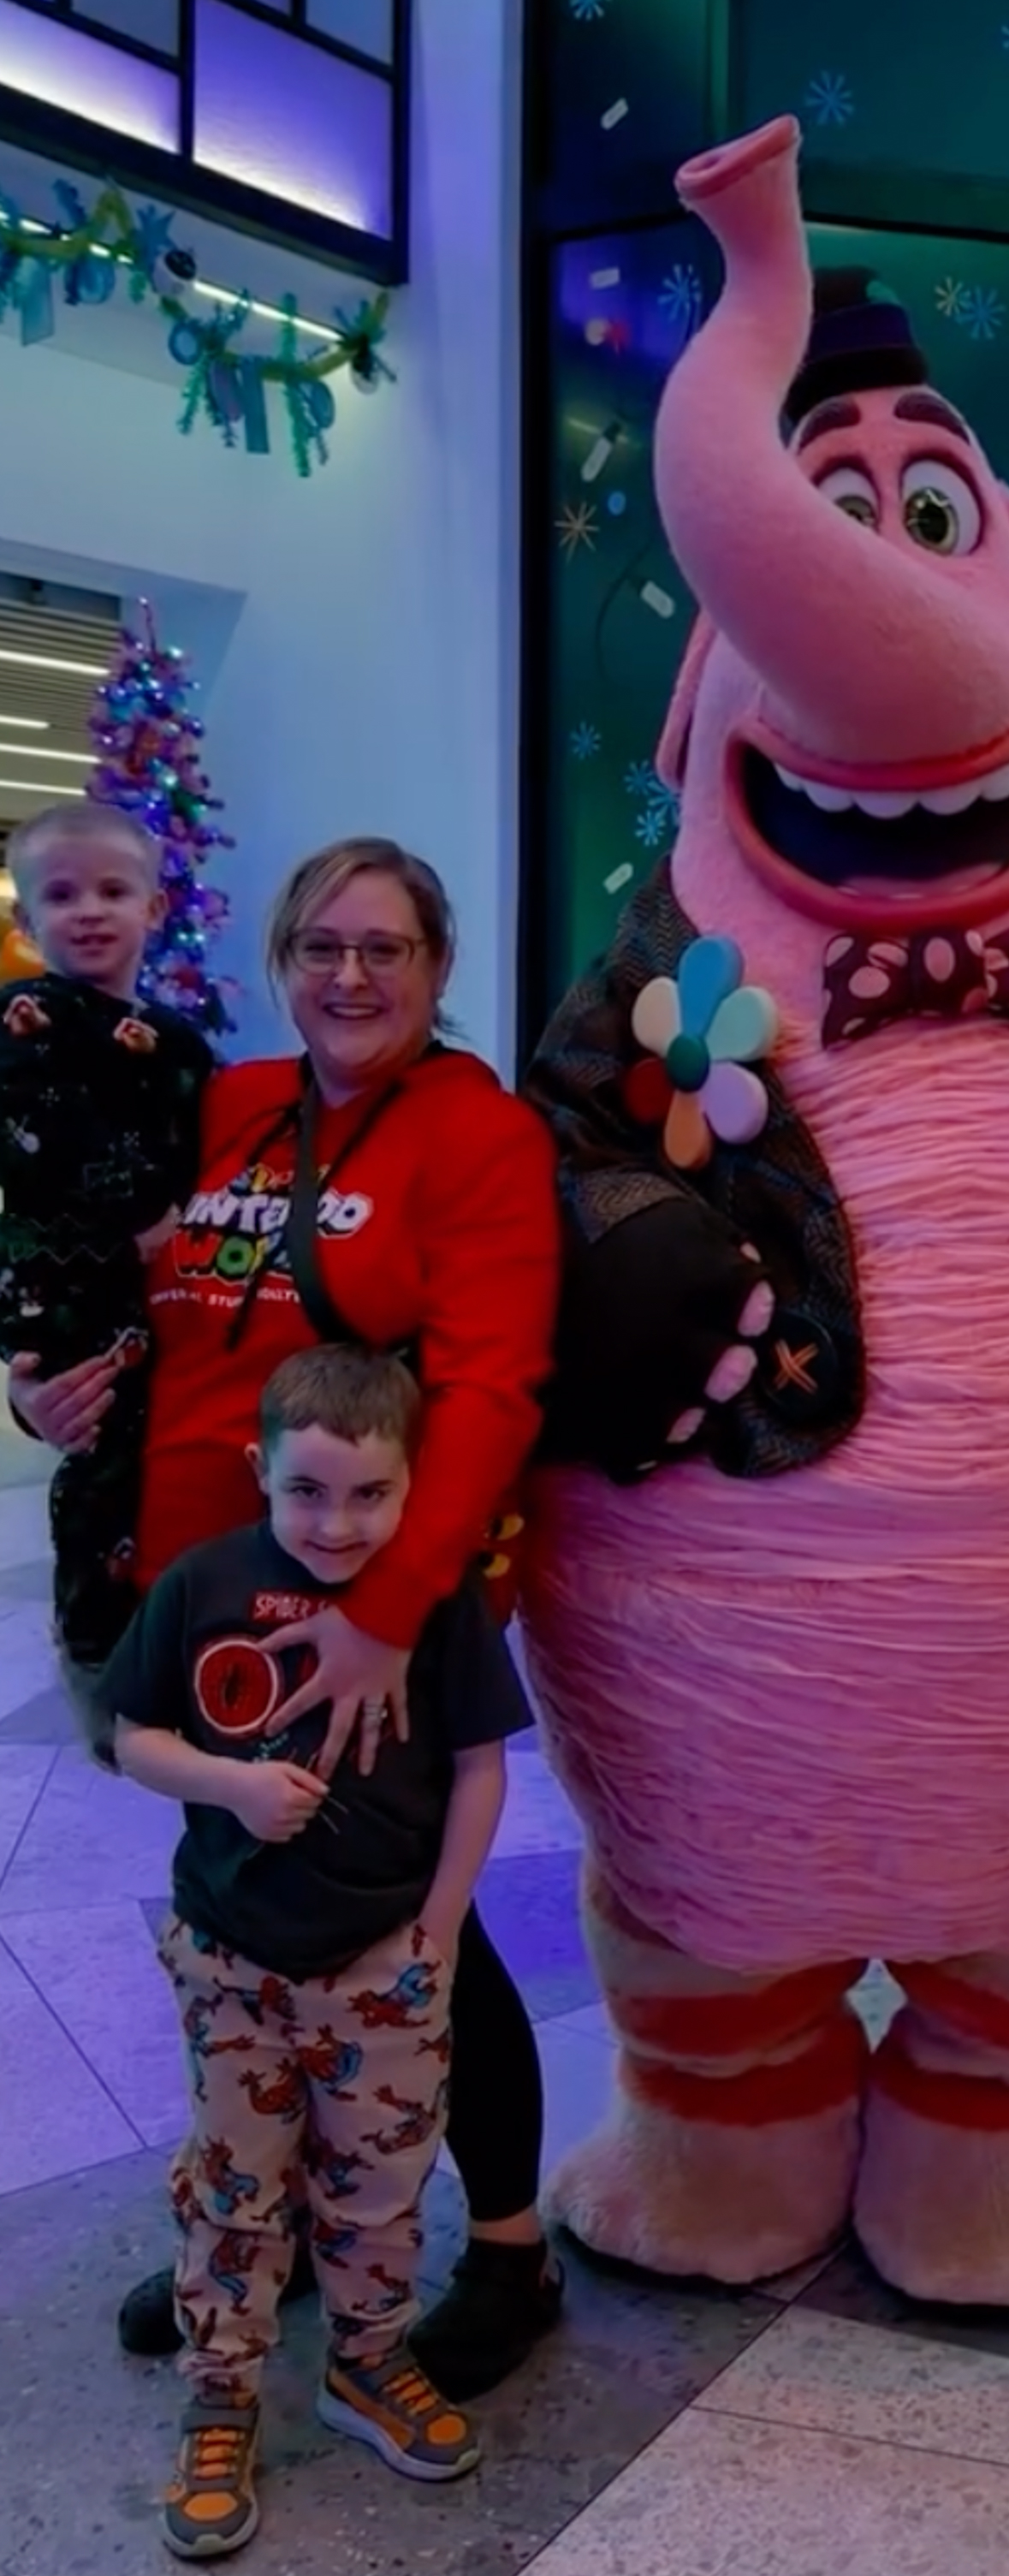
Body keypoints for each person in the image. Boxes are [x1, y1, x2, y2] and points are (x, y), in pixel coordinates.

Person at [11, 836, 563, 2399]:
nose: (350, 975)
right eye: (321, 946)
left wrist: (385, 1612)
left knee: (405, 1922)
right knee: (257, 1912)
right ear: (280, 961)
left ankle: (509, 2250)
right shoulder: (236, 1103)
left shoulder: (479, 1134)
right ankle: (293, 2221)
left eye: (386, 947)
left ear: (438, 966)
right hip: (206, 1600)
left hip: (365, 1599)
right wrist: (40, 1388)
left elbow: (493, 1388)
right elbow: (131, 1285)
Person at [107, 1345, 531, 2558]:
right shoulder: (202, 1582)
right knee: (235, 2188)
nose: (335, 1524)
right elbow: (134, 1737)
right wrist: (231, 1786)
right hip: (232, 1956)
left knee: (379, 2187)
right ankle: (220, 2394)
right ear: (261, 1469)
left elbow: (479, 1768)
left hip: (382, 1963)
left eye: (369, 1495)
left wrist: (438, 1926)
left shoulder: (432, 1599)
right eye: (306, 1490)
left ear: (411, 1489)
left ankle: (368, 2361)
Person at [0, 802, 211, 1678]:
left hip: (158, 1296)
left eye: (112, 891)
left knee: (162, 1454)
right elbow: (48, 1135)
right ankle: (95, 1646)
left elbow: (208, 1149)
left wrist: (188, 1219)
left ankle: (174, 1623)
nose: (89, 910)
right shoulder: (24, 1020)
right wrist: (147, 1214)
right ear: (27, 918)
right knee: (97, 1459)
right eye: (62, 895)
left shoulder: (177, 1043)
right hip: (61, 1291)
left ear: (153, 908)